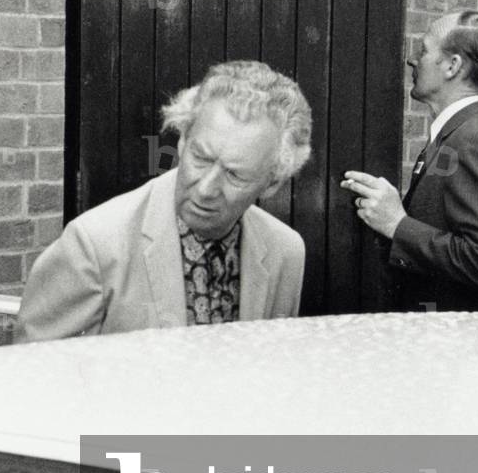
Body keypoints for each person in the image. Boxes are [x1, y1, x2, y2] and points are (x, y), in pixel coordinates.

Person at [16, 60, 312, 342]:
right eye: (201, 157)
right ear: (182, 140)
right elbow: (37, 372)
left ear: (273, 183)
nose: (206, 188)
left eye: (235, 175)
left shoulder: (285, 251)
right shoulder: (94, 244)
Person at [341, 10, 478, 312]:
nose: (413, 61)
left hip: (470, 347)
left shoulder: (473, 140)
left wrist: (397, 224)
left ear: (452, 66)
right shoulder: (467, 133)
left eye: (424, 50)